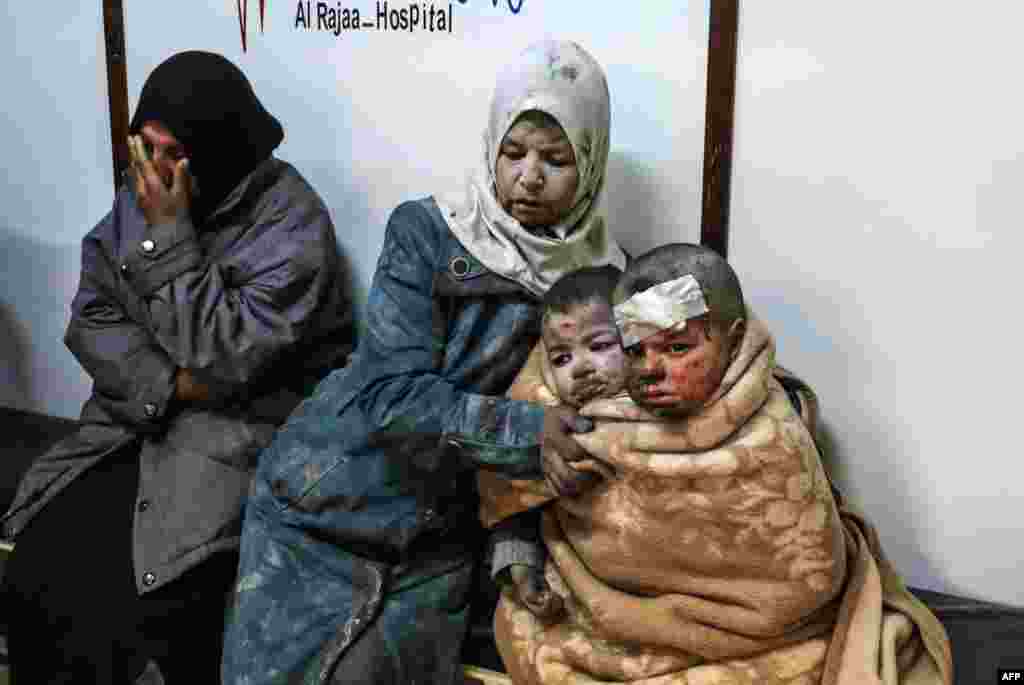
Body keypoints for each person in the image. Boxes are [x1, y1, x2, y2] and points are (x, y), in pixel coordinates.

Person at [221, 39, 626, 685]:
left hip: (437, 542)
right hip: (326, 504)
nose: (529, 176)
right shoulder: (428, 233)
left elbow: (612, 412)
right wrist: (528, 431)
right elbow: (390, 393)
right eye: (513, 152)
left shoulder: (603, 283)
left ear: (592, 162)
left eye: (557, 159)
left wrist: (516, 544)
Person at [0, 50, 355, 683]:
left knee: (156, 589)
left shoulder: (292, 222)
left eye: (172, 152)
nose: (154, 170)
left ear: (217, 147)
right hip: (136, 421)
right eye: (144, 147)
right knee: (41, 564)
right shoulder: (143, 193)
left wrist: (168, 237)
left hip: (238, 439)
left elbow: (224, 354)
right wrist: (166, 385)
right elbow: (94, 315)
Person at [491, 243, 953, 685]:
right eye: (634, 349)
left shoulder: (771, 430)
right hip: (610, 615)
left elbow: (805, 578)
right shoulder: (582, 402)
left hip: (761, 634)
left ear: (732, 344)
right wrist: (519, 553)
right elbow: (519, 494)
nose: (648, 368)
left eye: (676, 348)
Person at [478, 264, 627, 618]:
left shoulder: (674, 403)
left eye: (600, 345)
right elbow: (514, 507)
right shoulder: (552, 427)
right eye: (562, 358)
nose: (580, 367)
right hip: (590, 591)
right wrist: (521, 567)